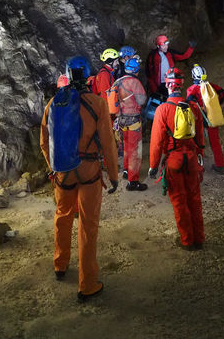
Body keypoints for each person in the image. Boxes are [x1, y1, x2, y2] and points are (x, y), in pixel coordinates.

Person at [40, 55, 118, 302]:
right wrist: (114, 175)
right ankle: (87, 283)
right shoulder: (97, 103)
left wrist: (53, 167)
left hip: (63, 171)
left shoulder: (54, 103)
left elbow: (45, 141)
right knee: (87, 225)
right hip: (89, 171)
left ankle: (60, 265)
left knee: (62, 216)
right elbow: (108, 143)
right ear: (86, 75)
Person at [148, 68, 205, 250]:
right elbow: (200, 138)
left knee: (179, 201)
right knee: (194, 198)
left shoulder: (162, 110)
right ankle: (200, 239)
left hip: (174, 160)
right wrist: (200, 157)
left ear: (167, 85)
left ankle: (187, 241)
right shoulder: (193, 107)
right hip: (191, 157)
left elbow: (156, 142)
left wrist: (153, 166)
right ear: (181, 85)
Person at [112, 57, 148, 190]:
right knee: (134, 151)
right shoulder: (134, 82)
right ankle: (133, 182)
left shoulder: (118, 81)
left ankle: (127, 171)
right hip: (133, 121)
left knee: (126, 147)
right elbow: (142, 100)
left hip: (121, 120)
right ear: (135, 70)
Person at [186, 64, 224, 173]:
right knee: (215, 142)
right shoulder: (210, 86)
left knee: (198, 143)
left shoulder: (192, 89)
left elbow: (189, 101)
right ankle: (220, 165)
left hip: (199, 119)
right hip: (211, 117)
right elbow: (223, 93)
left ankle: (198, 166)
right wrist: (218, 104)